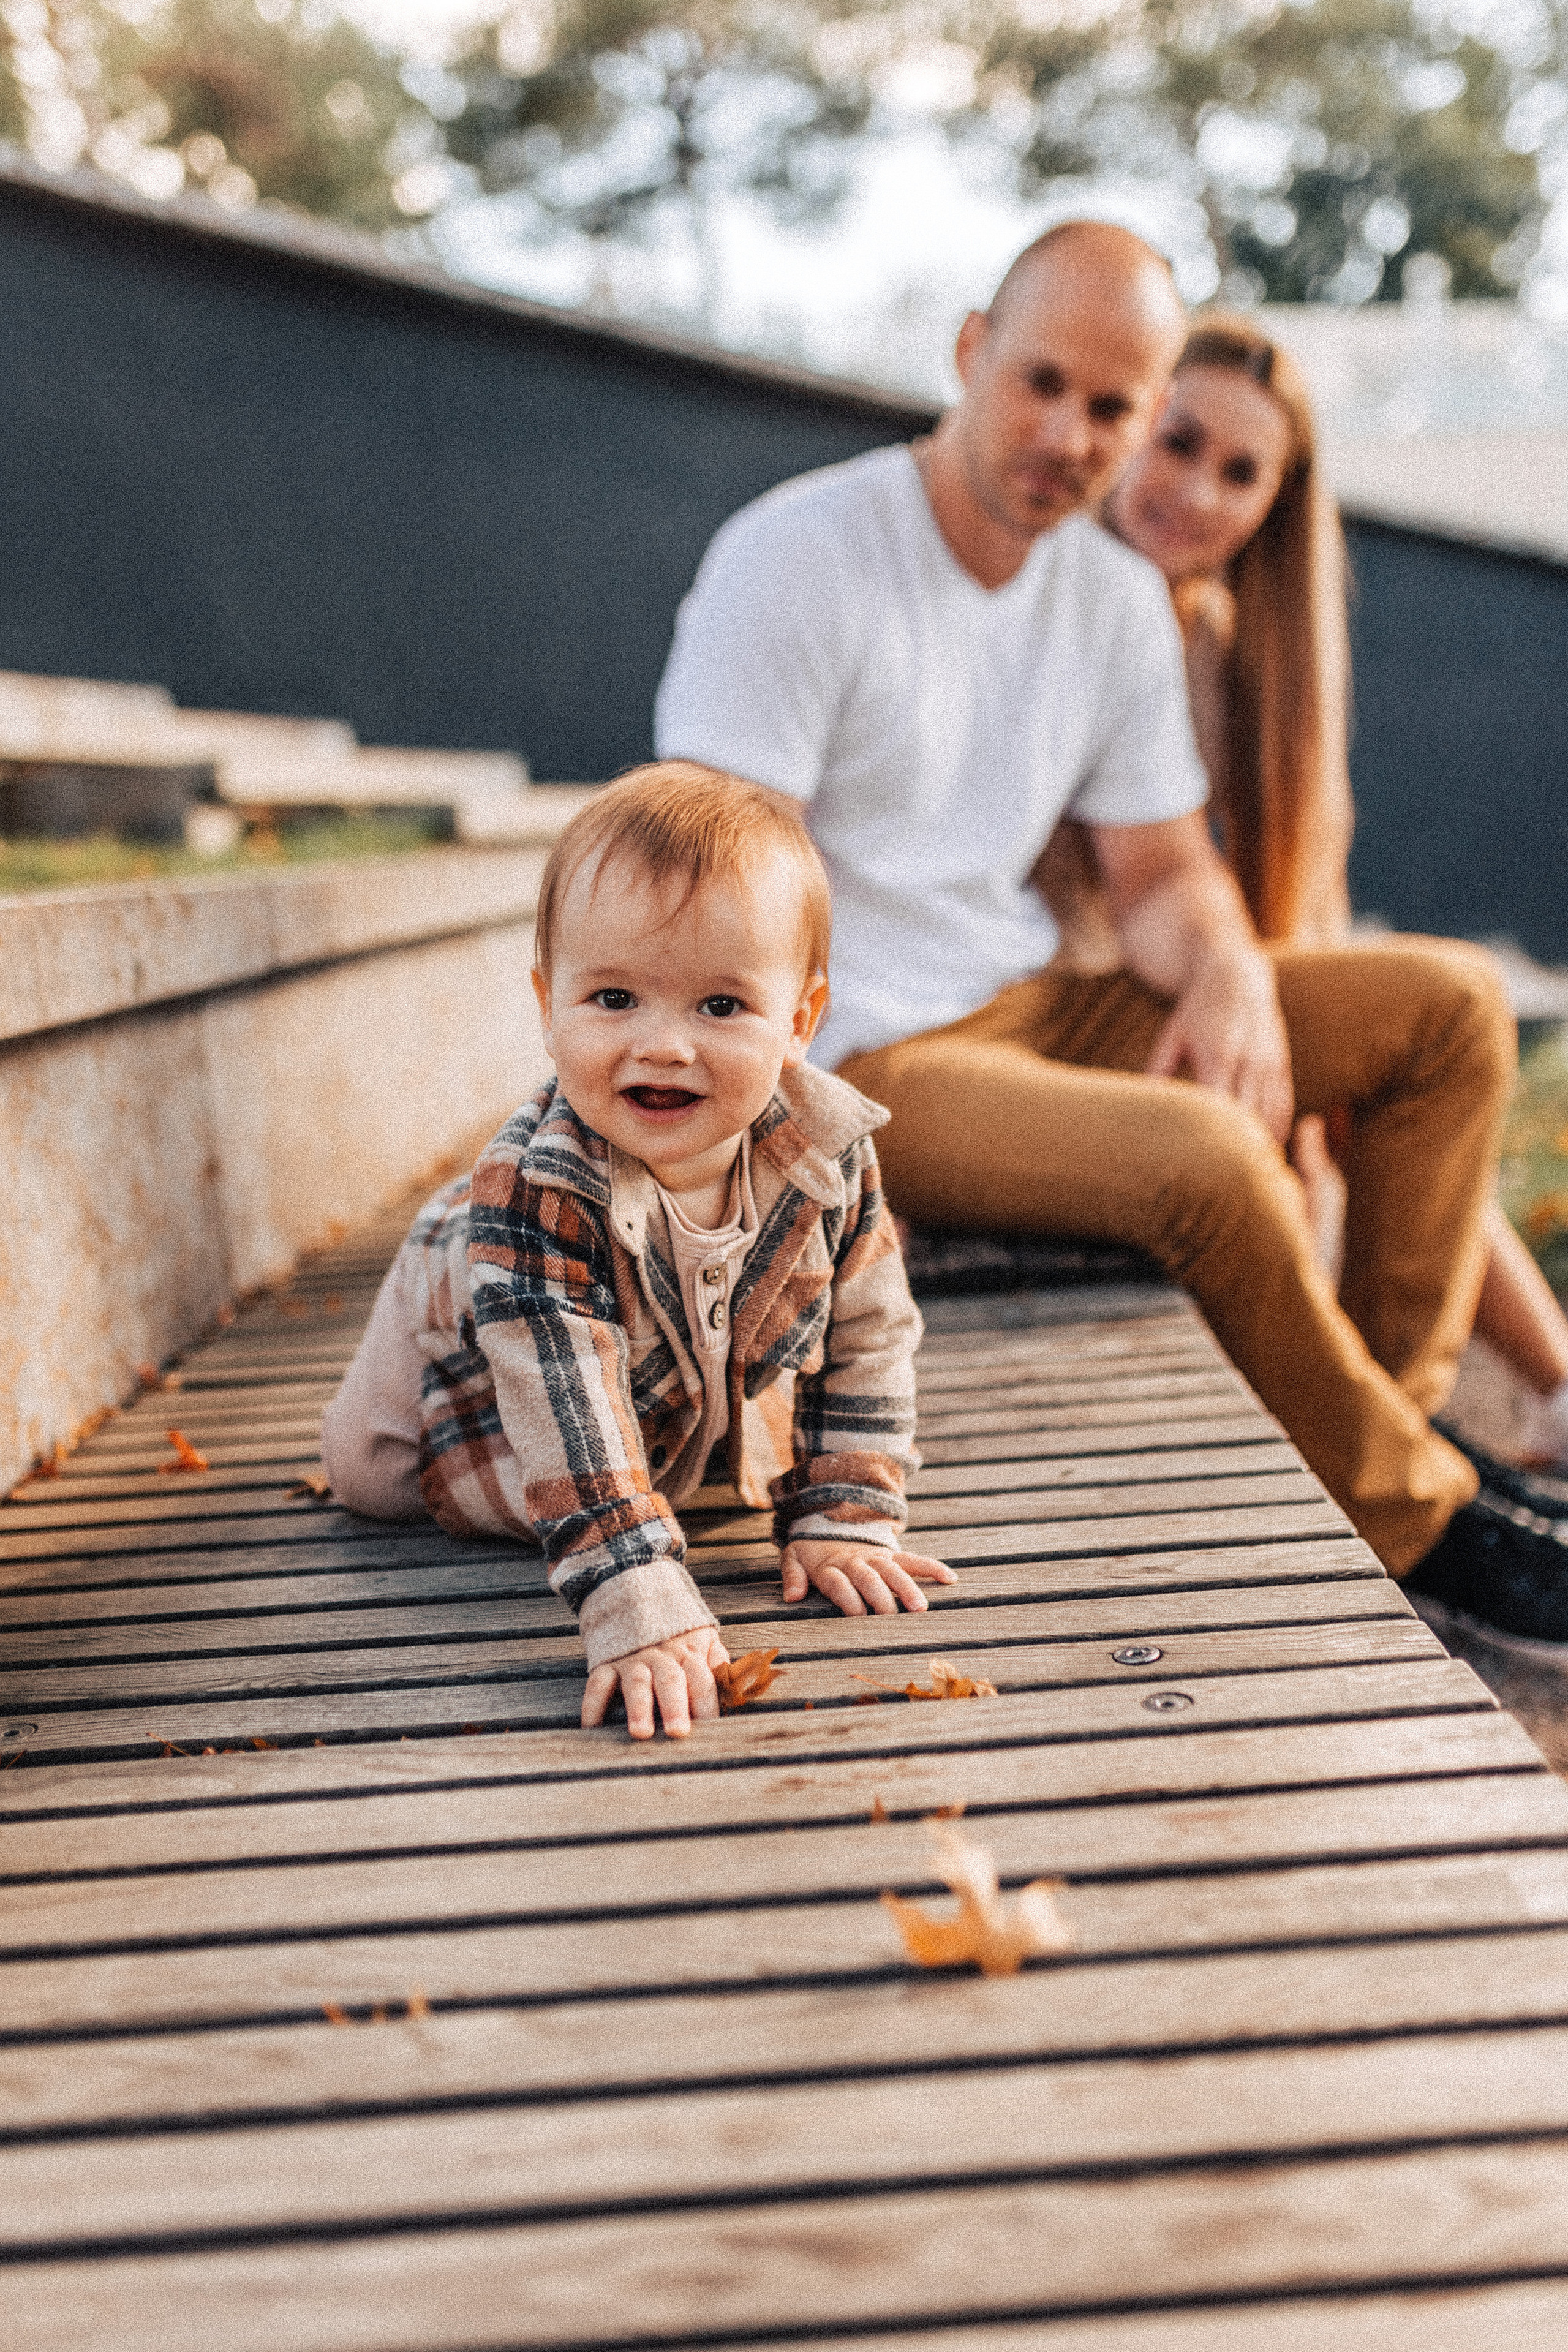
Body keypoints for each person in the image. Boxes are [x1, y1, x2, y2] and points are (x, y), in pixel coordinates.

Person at [654, 217, 1568, 1644]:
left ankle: (1391, 1441)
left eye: (1108, 407)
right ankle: (1427, 1522)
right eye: (1039, 384)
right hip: (854, 1056)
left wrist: (1225, 974)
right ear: (969, 353)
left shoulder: (1110, 596)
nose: (1066, 434)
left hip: (1025, 996)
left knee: (1443, 1012)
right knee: (1205, 1155)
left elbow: (1156, 877)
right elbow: (705, 890)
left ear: (1141, 417)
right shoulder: (800, 556)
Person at [321, 763, 953, 1739]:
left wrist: (844, 1510)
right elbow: (563, 1396)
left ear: (800, 1020)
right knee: (370, 1478)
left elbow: (871, 1331)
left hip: (668, 1333)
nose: (664, 1045)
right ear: (547, 1003)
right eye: (614, 999)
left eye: (719, 1007)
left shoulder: (829, 1154)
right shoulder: (535, 1196)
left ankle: (680, 1405)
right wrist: (635, 1600)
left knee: (707, 1443)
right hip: (471, 1323)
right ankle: (442, 1316)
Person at [1063, 311, 1568, 1473]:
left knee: (1436, 1037)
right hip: (1070, 1035)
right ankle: (1428, 1444)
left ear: (1276, 508)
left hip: (1198, 1040)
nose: (1196, 491)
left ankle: (1432, 1436)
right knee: (1432, 1025)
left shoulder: (1242, 663)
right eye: (1179, 440)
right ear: (1131, 422)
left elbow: (1286, 951)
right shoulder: (1054, 608)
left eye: (1243, 474)